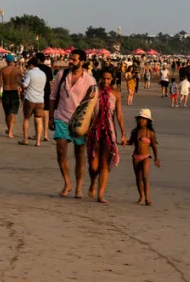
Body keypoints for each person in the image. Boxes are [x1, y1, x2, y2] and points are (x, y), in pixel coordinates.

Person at [50, 49, 96, 198]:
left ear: (82, 62)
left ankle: (79, 188)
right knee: (61, 150)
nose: (70, 61)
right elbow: (53, 96)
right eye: (70, 59)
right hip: (61, 117)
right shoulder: (61, 75)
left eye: (74, 60)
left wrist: (91, 124)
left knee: (79, 152)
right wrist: (51, 116)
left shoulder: (90, 80)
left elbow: (93, 103)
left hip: (80, 121)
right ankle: (67, 183)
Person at [87, 68, 126, 204]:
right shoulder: (93, 90)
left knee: (104, 164)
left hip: (109, 131)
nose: (105, 81)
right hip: (93, 130)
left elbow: (119, 114)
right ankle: (93, 182)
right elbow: (84, 108)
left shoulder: (116, 94)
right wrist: (89, 99)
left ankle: (101, 194)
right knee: (93, 165)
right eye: (103, 78)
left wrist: (123, 134)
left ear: (113, 79)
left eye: (108, 78)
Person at [130, 108, 160, 205]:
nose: (141, 121)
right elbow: (130, 142)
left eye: (144, 119)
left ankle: (147, 198)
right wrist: (121, 142)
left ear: (148, 121)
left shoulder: (150, 133)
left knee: (145, 177)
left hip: (146, 156)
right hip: (136, 157)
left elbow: (154, 146)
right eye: (140, 119)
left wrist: (156, 158)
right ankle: (141, 197)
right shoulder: (134, 132)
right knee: (138, 178)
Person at [20, 57, 47, 146]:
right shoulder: (43, 74)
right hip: (40, 99)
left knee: (26, 118)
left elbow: (24, 85)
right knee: (38, 119)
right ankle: (38, 141)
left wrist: (20, 82)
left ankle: (25, 139)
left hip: (30, 98)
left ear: (31, 65)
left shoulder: (30, 73)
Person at [0, 55, 22, 138]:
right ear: (13, 61)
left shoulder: (3, 70)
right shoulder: (18, 70)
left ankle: (9, 129)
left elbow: (0, 83)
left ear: (6, 61)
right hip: (14, 92)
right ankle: (10, 132)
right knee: (13, 113)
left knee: (7, 113)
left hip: (6, 92)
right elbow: (21, 82)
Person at [36, 53, 53, 142]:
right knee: (46, 112)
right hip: (47, 91)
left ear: (38, 59)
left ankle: (37, 134)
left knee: (37, 113)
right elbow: (50, 80)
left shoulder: (35, 68)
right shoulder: (48, 68)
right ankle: (46, 134)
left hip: (38, 91)